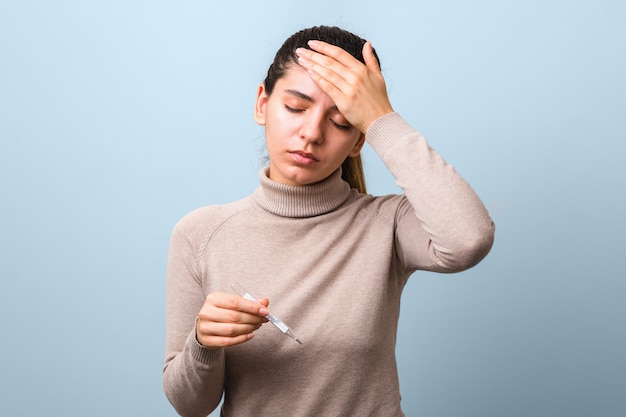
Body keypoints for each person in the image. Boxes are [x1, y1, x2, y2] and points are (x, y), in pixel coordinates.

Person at [163, 25, 495, 417]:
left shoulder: (387, 224)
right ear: (261, 104)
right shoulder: (200, 234)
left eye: (340, 121)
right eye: (296, 107)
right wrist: (203, 343)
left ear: (359, 141)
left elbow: (469, 238)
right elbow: (190, 406)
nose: (311, 134)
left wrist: (381, 119)